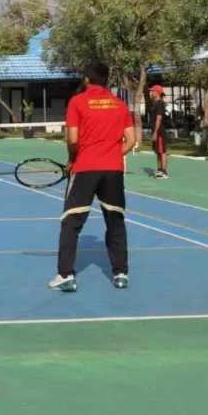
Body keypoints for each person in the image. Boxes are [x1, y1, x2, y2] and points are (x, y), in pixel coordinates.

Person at [50, 60, 136, 293]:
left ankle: (66, 275)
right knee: (115, 222)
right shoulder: (119, 105)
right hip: (113, 171)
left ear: (86, 79)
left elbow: (73, 139)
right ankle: (120, 274)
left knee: (71, 223)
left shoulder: (77, 102)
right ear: (107, 80)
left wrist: (71, 160)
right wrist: (109, 155)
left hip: (85, 168)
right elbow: (131, 141)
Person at [148, 85, 169, 179]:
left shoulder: (160, 104)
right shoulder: (154, 104)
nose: (151, 93)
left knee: (162, 151)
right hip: (155, 131)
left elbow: (159, 118)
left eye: (152, 91)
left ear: (157, 92)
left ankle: (164, 172)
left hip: (160, 131)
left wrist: (156, 132)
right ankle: (159, 169)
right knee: (157, 151)